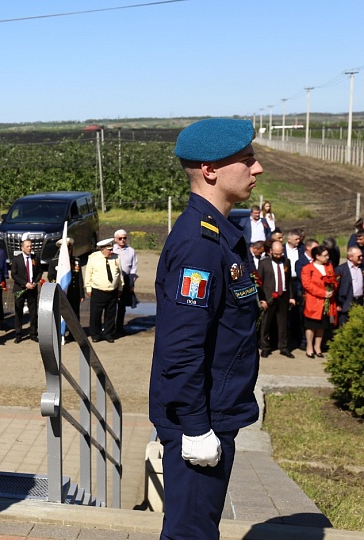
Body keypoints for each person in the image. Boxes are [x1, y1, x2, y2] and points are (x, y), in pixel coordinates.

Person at [150, 118, 264, 540]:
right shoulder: (200, 244)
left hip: (213, 411)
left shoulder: (217, 235)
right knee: (191, 534)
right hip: (202, 419)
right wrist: (196, 428)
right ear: (211, 170)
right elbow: (182, 347)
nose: (258, 169)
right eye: (247, 160)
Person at [257, 241, 295, 358]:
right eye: (276, 254)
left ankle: (283, 347)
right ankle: (265, 347)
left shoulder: (286, 262)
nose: (279, 256)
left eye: (281, 253)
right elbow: (259, 282)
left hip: (283, 296)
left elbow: (289, 281)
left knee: (283, 323)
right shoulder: (264, 263)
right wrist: (262, 299)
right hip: (269, 297)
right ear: (271, 251)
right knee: (266, 323)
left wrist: (291, 296)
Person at [301, 246, 337, 358]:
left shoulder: (329, 266)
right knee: (311, 325)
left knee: (322, 325)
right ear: (317, 256)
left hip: (327, 301)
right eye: (325, 255)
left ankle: (318, 346)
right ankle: (309, 347)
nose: (328, 257)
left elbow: (333, 279)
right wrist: (323, 293)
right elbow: (307, 285)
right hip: (314, 301)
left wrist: (332, 289)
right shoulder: (307, 268)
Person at [84, 238, 122, 343]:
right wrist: (88, 287)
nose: (111, 252)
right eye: (109, 249)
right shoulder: (93, 258)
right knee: (96, 314)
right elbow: (88, 274)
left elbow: (119, 274)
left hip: (112, 291)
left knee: (111, 314)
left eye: (112, 249)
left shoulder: (116, 258)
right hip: (98, 290)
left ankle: (108, 333)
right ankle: (95, 334)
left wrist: (120, 287)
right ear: (102, 249)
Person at [48, 238, 84, 339]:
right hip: (61, 291)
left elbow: (79, 279)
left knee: (75, 314)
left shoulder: (76, 261)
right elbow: (51, 277)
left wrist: (81, 294)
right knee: (60, 313)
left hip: (74, 292)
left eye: (69, 249)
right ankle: (60, 332)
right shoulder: (54, 262)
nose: (68, 252)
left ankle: (74, 334)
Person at [11, 239, 41, 343]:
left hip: (32, 289)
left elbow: (39, 272)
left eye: (30, 246)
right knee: (19, 311)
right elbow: (14, 274)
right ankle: (18, 334)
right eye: (27, 246)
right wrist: (25, 284)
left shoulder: (35, 257)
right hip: (20, 288)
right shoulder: (16, 259)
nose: (30, 248)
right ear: (22, 248)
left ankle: (33, 332)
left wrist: (34, 282)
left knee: (33, 311)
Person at [112, 229, 138, 337]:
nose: (123, 240)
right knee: (112, 305)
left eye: (124, 238)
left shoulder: (131, 251)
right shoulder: (111, 249)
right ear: (115, 239)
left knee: (122, 305)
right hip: (114, 280)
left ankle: (120, 327)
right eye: (120, 238)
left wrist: (132, 281)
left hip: (126, 279)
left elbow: (134, 267)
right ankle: (110, 328)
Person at [335, 246, 364, 327]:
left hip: (359, 302)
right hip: (345, 303)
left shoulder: (361, 268)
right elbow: (335, 288)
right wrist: (337, 304)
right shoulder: (340, 269)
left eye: (362, 256)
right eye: (359, 256)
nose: (361, 258)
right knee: (343, 327)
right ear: (351, 257)